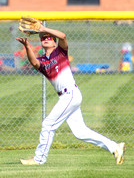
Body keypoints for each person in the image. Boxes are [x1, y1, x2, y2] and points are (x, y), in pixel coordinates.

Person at [16, 24, 126, 165]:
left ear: (54, 42)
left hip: (70, 94)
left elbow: (62, 36)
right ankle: (115, 147)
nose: (46, 39)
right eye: (43, 38)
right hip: (66, 97)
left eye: (49, 38)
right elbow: (34, 62)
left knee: (48, 125)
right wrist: (27, 46)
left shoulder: (60, 52)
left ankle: (38, 159)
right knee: (80, 132)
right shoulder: (43, 61)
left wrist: (44, 29)